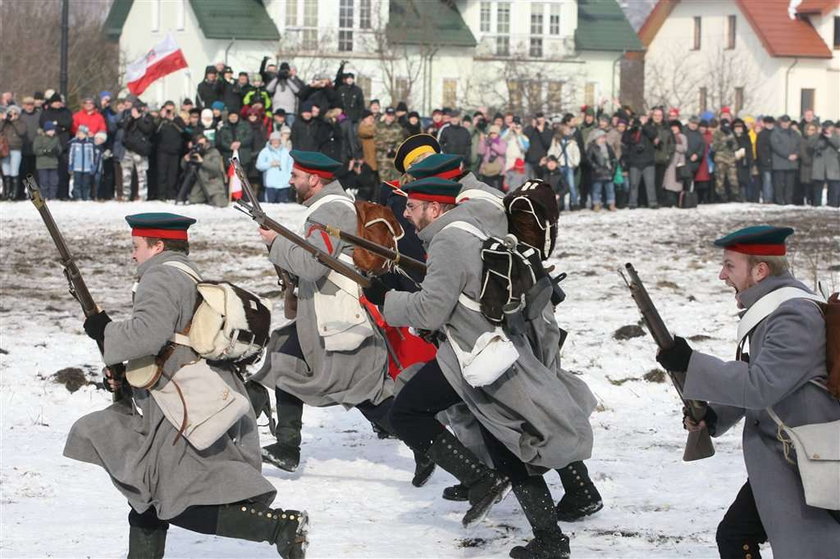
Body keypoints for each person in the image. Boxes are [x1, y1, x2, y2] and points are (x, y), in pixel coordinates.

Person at [365, 174, 597, 558]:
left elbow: (431, 310)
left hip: (469, 353)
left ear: (434, 208)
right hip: (480, 350)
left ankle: (480, 480)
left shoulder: (448, 241)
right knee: (506, 444)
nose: (405, 213)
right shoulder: (466, 227)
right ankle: (550, 540)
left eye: (412, 206)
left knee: (406, 413)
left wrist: (385, 299)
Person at [64, 213, 308, 558]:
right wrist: (120, 367)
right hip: (179, 391)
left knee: (174, 497)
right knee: (147, 490)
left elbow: (148, 336)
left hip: (175, 400)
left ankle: (278, 526)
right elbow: (170, 338)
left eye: (136, 247)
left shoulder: (160, 277)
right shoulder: (182, 272)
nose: (132, 254)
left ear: (158, 245)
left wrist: (104, 329)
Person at [250, 150, 433, 488]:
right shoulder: (324, 208)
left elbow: (311, 265)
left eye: (296, 176)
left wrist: (276, 244)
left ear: (314, 180)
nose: (291, 181)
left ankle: (430, 448)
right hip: (320, 313)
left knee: (368, 395)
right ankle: (288, 447)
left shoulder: (331, 210)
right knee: (285, 360)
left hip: (338, 315)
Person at [656, 225, 840, 559]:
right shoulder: (774, 309)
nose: (721, 275)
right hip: (788, 458)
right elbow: (763, 376)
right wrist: (714, 415)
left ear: (760, 270)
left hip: (809, 459)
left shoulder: (792, 314)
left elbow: (761, 385)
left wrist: (692, 362)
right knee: (735, 535)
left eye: (729, 265)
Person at [183, 134, 227, 207]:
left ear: (207, 142)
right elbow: (184, 168)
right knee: (193, 200)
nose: (201, 146)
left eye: (202, 143)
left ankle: (216, 197)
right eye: (198, 144)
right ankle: (206, 198)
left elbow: (215, 168)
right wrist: (185, 160)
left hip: (212, 182)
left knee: (220, 203)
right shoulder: (195, 152)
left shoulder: (214, 152)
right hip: (200, 183)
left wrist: (202, 161)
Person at [807, 121, 840, 207]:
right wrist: (818, 134)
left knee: (833, 187)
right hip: (819, 166)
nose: (827, 130)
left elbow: (838, 144)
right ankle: (817, 204)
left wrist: (830, 136)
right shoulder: (816, 136)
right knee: (817, 188)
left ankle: (833, 205)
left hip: (832, 166)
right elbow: (810, 144)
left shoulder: (835, 136)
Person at [256, 129, 293, 203]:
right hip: (270, 184)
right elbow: (258, 166)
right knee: (270, 207)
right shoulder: (265, 151)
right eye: (273, 140)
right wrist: (270, 164)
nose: (275, 142)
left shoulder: (286, 151)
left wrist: (289, 178)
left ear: (280, 141)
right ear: (270, 141)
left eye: (277, 140)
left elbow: (291, 166)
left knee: (283, 208)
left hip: (284, 184)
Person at [769, 115, 800, 205]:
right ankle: (779, 201)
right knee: (779, 184)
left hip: (792, 163)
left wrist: (796, 154)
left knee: (790, 185)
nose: (785, 124)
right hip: (780, 163)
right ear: (780, 122)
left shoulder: (794, 133)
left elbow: (799, 145)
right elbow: (776, 146)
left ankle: (788, 201)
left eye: (787, 122)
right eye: (783, 122)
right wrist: (787, 155)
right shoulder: (775, 132)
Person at [586, 129, 617, 211]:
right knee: (596, 189)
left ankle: (611, 204)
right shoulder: (592, 147)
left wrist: (613, 169)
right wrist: (596, 168)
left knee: (610, 189)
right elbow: (589, 160)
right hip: (597, 172)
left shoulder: (608, 147)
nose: (603, 140)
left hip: (608, 171)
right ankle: (596, 204)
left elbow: (613, 158)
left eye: (604, 137)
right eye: (601, 138)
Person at [375, 107, 404, 183]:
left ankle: (395, 195)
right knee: (384, 181)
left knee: (396, 180)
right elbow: (376, 141)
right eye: (389, 115)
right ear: (385, 115)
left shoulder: (398, 127)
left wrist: (395, 150)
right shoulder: (378, 126)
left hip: (394, 157)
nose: (390, 117)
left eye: (392, 115)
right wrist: (387, 148)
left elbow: (400, 141)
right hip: (383, 158)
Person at [33, 122, 61, 199]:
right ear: (45, 131)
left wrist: (56, 151)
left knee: (54, 181)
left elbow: (59, 149)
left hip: (53, 163)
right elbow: (36, 150)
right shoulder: (39, 138)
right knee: (44, 181)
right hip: (42, 164)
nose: (52, 132)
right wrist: (45, 151)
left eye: (53, 130)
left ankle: (52, 196)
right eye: (50, 130)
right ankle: (44, 196)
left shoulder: (56, 138)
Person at [68, 125, 96, 200]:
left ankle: (86, 196)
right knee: (77, 183)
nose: (80, 135)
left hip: (87, 168)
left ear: (86, 134)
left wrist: (92, 165)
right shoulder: (74, 143)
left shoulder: (90, 143)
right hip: (77, 167)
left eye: (82, 133)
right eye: (79, 133)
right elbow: (71, 155)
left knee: (86, 183)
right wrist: (70, 165)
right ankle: (77, 196)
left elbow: (92, 155)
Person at [477, 124, 506, 190]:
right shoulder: (486, 141)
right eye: (491, 133)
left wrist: (492, 144)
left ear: (498, 134)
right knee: (488, 189)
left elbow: (502, 151)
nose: (493, 135)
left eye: (494, 133)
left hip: (499, 169)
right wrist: (482, 141)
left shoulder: (502, 142)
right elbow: (480, 152)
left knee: (498, 189)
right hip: (487, 168)